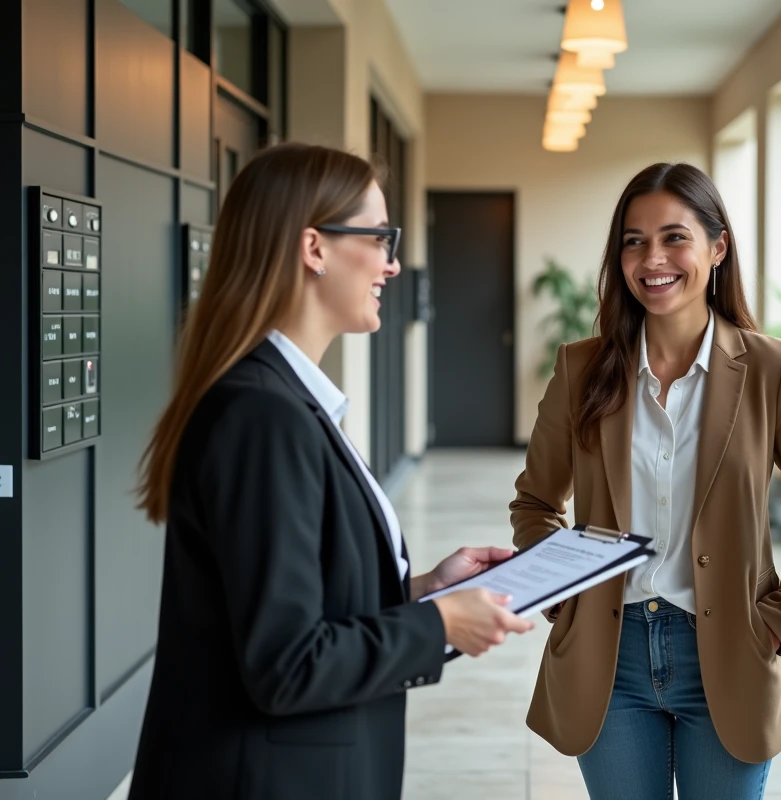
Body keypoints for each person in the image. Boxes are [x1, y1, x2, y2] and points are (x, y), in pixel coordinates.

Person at [127, 142, 534, 800]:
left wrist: (423, 590)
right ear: (314, 248)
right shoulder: (263, 417)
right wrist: (438, 625)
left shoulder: (285, 402)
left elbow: (299, 611)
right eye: (379, 238)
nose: (393, 264)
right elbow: (286, 664)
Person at [510, 162, 781, 799]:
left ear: (717, 247)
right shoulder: (583, 369)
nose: (651, 258)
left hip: (731, 650)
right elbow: (536, 501)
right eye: (633, 240)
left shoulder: (771, 368)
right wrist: (563, 597)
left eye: (674, 237)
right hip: (610, 656)